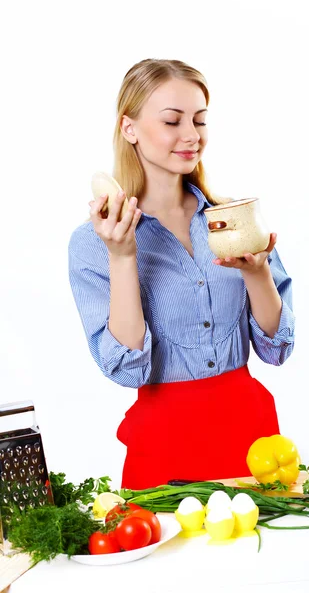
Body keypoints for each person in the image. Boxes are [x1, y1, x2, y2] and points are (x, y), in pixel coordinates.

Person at [68, 58, 295, 490]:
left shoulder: (232, 219)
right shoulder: (96, 241)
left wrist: (258, 274)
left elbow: (277, 348)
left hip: (252, 443)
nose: (191, 136)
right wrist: (122, 257)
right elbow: (127, 369)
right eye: (172, 121)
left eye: (200, 120)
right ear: (129, 128)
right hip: (163, 451)